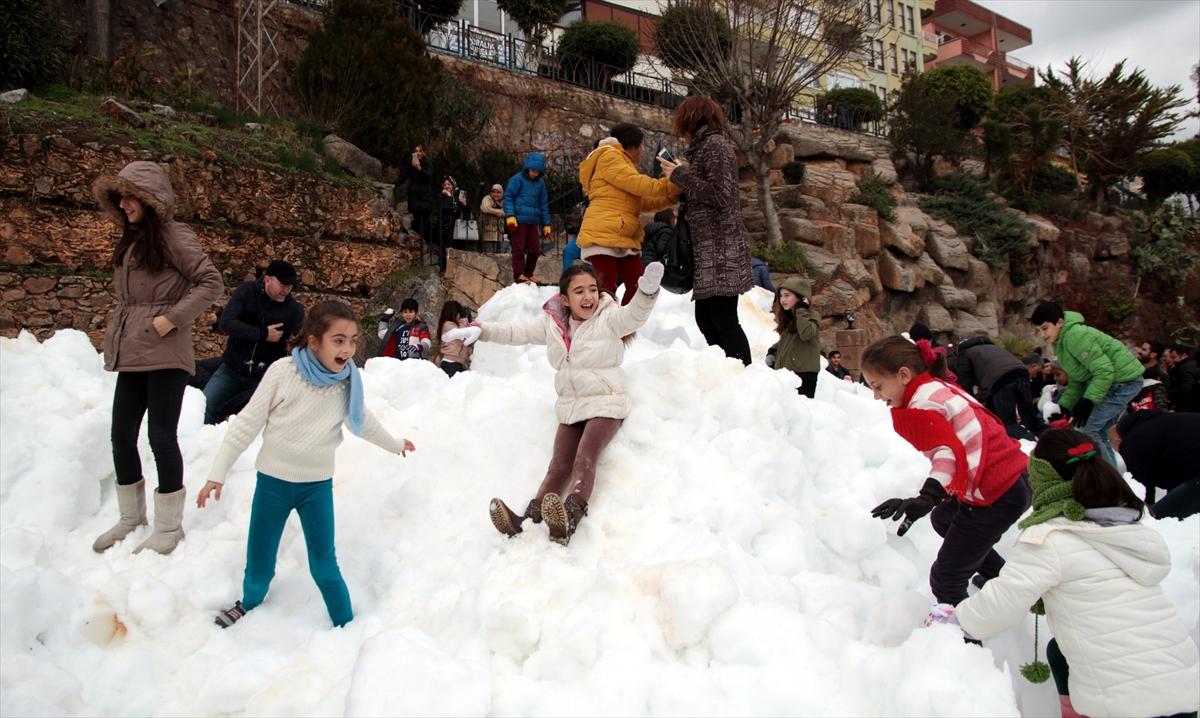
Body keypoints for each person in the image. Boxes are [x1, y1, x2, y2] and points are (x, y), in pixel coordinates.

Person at [948, 429, 1199, 718]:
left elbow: (998, 608)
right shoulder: (1127, 530)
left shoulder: (1049, 539)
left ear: (1042, 480)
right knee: (1058, 651)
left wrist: (954, 618)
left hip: (1126, 706)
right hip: (1185, 690)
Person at [198, 301, 414, 628]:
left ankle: (346, 626)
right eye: (338, 340)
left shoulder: (347, 382)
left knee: (325, 566)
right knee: (260, 560)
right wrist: (217, 474)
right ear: (314, 341)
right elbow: (246, 424)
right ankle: (250, 602)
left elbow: (362, 422)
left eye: (353, 339)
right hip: (273, 484)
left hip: (316, 488)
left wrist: (395, 444)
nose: (348, 348)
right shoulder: (283, 373)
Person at [91, 161, 224, 555]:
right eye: (120, 196)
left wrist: (171, 319)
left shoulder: (173, 236)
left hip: (165, 351)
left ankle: (169, 527)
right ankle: (131, 517)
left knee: (161, 437)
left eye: (131, 196)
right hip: (133, 348)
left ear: (150, 200)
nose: (124, 203)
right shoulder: (133, 239)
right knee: (120, 434)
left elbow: (211, 281)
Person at [484, 262, 665, 545]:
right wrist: (479, 330)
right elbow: (514, 332)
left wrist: (646, 291)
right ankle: (528, 522)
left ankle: (569, 517)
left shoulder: (609, 318)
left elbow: (634, 316)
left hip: (606, 403)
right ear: (565, 299)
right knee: (557, 467)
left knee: (585, 456)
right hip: (571, 408)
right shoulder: (554, 325)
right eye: (579, 291)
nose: (588, 297)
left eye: (592, 289)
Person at [862, 336, 1031, 608]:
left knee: (946, 579)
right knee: (944, 518)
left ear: (904, 374)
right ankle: (1002, 578)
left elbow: (947, 453)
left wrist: (926, 497)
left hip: (995, 493)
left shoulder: (921, 405)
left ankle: (966, 639)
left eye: (878, 386)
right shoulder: (936, 387)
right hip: (1013, 478)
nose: (877, 396)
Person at [658, 96, 753, 365]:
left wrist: (680, 174)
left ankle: (743, 375)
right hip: (708, 248)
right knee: (707, 319)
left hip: (721, 248)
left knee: (722, 319)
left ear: (691, 119)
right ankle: (727, 370)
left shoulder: (715, 146)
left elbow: (721, 194)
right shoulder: (704, 148)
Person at [1030, 302, 1143, 466]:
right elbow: (1078, 378)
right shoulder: (1061, 341)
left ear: (1059, 322)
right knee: (1097, 431)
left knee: (1089, 430)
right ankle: (1114, 478)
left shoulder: (1076, 335)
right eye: (1039, 330)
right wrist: (1065, 406)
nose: (1042, 334)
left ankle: (1109, 479)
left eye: (1045, 328)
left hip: (1123, 382)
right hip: (1113, 382)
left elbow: (1104, 370)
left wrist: (1089, 402)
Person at [576, 126, 678, 304]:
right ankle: (602, 329)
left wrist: (672, 195)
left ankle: (623, 329)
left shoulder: (623, 166)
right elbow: (640, 185)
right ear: (632, 147)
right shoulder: (610, 157)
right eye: (642, 146)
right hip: (604, 235)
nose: (644, 150)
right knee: (606, 291)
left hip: (622, 236)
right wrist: (675, 180)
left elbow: (643, 201)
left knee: (637, 286)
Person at [203, 260, 305, 425]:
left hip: (264, 377)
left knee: (247, 420)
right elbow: (226, 322)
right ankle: (201, 447)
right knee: (205, 408)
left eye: (290, 286)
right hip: (231, 369)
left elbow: (297, 345)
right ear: (267, 279)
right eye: (283, 285)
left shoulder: (294, 310)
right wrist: (263, 334)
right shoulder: (246, 292)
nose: (286, 290)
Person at [954, 336, 1047, 440]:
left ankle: (1029, 447)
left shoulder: (965, 353)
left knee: (1009, 424)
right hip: (1022, 373)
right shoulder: (993, 347)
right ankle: (1053, 440)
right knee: (1031, 419)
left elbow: (964, 382)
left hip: (1001, 380)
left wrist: (970, 405)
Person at [1113, 411, 1200, 520]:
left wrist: (1147, 509)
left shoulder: (1133, 441)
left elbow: (1140, 484)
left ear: (1119, 438)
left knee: (1159, 518)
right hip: (1191, 466)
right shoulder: (1161, 422)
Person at [765, 278, 822, 398]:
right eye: (781, 296)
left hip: (804, 374)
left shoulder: (811, 315)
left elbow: (806, 334)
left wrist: (801, 310)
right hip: (787, 373)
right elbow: (788, 341)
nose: (782, 300)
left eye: (787, 295)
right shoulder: (790, 317)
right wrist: (773, 351)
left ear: (800, 297)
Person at [504, 153, 552, 284]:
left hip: (533, 222)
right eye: (532, 170)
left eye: (537, 171)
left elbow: (543, 204)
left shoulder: (541, 184)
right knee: (518, 250)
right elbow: (508, 197)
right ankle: (519, 275)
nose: (534, 173)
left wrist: (546, 224)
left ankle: (528, 273)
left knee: (535, 250)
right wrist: (510, 216)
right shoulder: (517, 179)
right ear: (527, 168)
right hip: (518, 221)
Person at [397, 145, 433, 242]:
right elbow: (402, 177)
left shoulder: (428, 165)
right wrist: (393, 185)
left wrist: (419, 168)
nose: (418, 153)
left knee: (425, 222)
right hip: (414, 197)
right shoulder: (410, 165)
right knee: (416, 221)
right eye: (416, 151)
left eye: (420, 151)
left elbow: (429, 177)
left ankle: (426, 244)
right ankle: (418, 244)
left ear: (424, 153)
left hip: (425, 197)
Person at [436, 300, 481, 377]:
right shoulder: (447, 325)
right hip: (450, 363)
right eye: (458, 312)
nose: (459, 315)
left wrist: (467, 322)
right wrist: (464, 320)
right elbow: (461, 334)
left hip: (457, 363)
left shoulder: (456, 324)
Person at [434, 177, 468, 273]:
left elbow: (462, 211)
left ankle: (455, 269)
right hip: (444, 226)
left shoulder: (457, 196)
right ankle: (444, 269)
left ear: (453, 185)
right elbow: (446, 208)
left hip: (455, 226)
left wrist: (464, 204)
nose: (447, 186)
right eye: (445, 184)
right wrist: (448, 196)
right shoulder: (441, 196)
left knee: (455, 248)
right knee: (444, 248)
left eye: (449, 184)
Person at [1166, 344, 1198, 411]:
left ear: (1184, 355)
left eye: (1173, 357)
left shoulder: (1185, 368)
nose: (1171, 360)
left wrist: (1169, 394)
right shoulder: (1191, 365)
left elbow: (1186, 388)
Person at [479, 183, 507, 249]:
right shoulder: (487, 199)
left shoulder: (504, 202)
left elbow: (507, 212)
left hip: (500, 236)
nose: (495, 194)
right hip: (488, 236)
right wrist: (499, 212)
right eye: (493, 192)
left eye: (498, 192)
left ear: (502, 193)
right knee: (488, 257)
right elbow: (485, 208)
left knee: (499, 258)